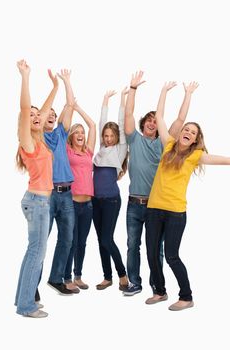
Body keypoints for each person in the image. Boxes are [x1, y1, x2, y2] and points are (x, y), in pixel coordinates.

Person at [145, 81, 230, 311]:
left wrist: (189, 94)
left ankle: (186, 296)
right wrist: (164, 91)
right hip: (153, 209)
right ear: (181, 133)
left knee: (171, 256)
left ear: (195, 140)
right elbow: (160, 116)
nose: (188, 133)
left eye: (193, 133)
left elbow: (224, 160)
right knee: (152, 254)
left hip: (175, 213)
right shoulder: (168, 144)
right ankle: (159, 292)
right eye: (186, 129)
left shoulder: (197, 156)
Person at [123, 71, 199, 296]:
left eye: (156, 121)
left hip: (157, 206)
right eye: (149, 120)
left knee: (157, 251)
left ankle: (158, 287)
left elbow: (179, 121)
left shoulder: (165, 144)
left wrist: (187, 94)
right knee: (133, 246)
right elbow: (128, 114)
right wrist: (133, 89)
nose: (152, 123)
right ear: (144, 123)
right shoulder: (134, 138)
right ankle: (134, 283)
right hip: (134, 204)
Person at [15, 59, 55, 318]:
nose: (36, 116)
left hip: (40, 202)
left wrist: (54, 87)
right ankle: (26, 305)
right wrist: (26, 77)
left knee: (33, 253)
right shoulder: (27, 140)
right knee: (36, 254)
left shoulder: (39, 141)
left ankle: (23, 298)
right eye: (31, 115)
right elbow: (25, 107)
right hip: (38, 203)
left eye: (37, 114)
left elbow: (45, 109)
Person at [40, 68, 77, 296]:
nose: (52, 116)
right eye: (48, 114)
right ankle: (31, 284)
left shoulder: (62, 133)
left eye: (54, 114)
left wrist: (66, 81)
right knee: (41, 240)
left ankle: (56, 278)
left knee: (67, 238)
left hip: (67, 194)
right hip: (47, 193)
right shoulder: (38, 136)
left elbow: (70, 105)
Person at [92, 88, 129, 290]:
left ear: (116, 137)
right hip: (95, 200)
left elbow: (122, 125)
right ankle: (107, 277)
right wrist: (104, 99)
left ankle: (122, 274)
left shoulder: (119, 150)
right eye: (105, 136)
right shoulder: (101, 149)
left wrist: (122, 99)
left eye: (111, 135)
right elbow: (101, 124)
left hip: (111, 201)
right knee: (100, 239)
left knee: (107, 238)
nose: (107, 138)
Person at [64, 101, 96, 292]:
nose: (81, 135)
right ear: (71, 137)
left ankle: (78, 276)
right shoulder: (67, 151)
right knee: (71, 241)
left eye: (82, 133)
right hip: (72, 203)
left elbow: (92, 125)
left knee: (82, 242)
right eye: (77, 133)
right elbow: (65, 127)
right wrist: (69, 109)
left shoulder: (88, 152)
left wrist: (78, 109)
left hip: (88, 205)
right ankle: (66, 277)